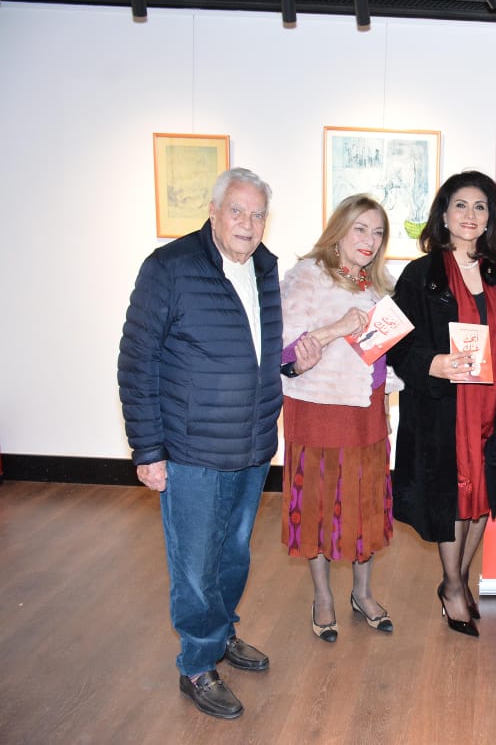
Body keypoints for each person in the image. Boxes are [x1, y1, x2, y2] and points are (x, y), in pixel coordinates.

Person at [118, 168, 282, 719]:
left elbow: (264, 352)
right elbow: (137, 363)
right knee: (194, 564)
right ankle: (196, 663)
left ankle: (221, 632)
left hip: (252, 447)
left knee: (233, 555)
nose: (247, 223)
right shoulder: (169, 267)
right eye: (237, 211)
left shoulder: (265, 268)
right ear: (213, 212)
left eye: (257, 214)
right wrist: (148, 450)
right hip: (191, 452)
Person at [388, 170, 496, 637]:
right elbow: (396, 344)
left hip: (493, 406)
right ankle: (453, 586)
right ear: (444, 215)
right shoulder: (422, 275)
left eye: (480, 207)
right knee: (453, 496)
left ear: (490, 218)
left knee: (482, 497)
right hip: (443, 410)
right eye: (460, 205)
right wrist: (432, 363)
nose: (470, 215)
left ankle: (458, 577)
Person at [279, 194, 401, 644]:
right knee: (315, 507)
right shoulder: (307, 276)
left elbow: (382, 354)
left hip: (367, 413)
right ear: (339, 231)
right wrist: (337, 329)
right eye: (360, 229)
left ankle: (363, 593)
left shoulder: (379, 285)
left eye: (378, 232)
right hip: (318, 411)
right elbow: (285, 353)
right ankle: (323, 597)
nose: (370, 240)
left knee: (366, 506)